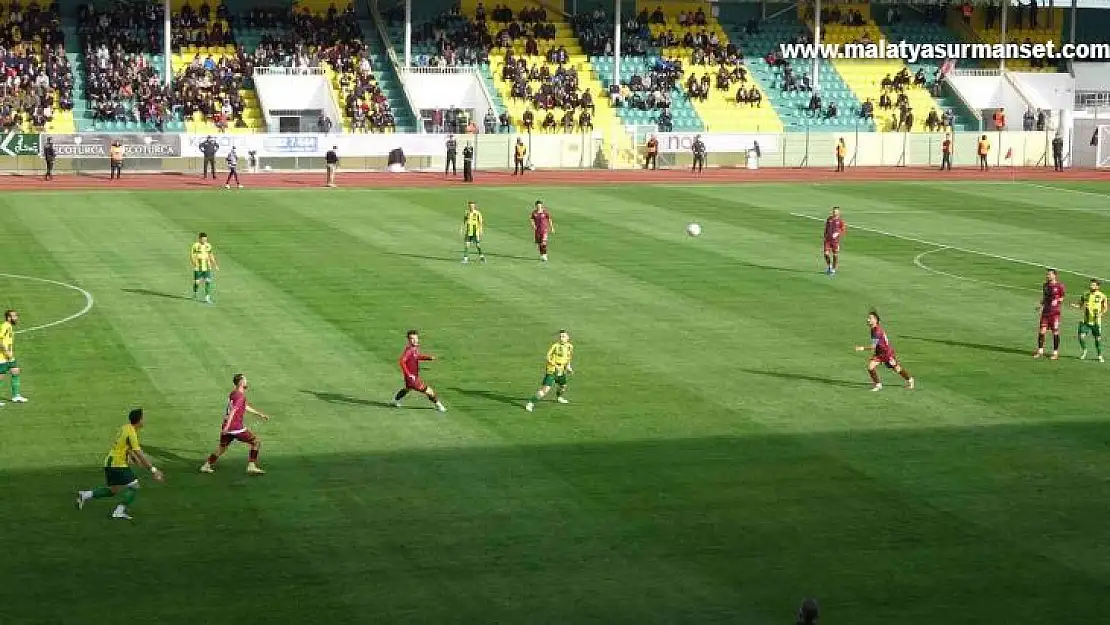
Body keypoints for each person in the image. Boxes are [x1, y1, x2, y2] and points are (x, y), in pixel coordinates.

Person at [75, 408, 164, 520]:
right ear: (138, 420)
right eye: (143, 418)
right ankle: (119, 511)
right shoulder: (132, 433)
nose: (144, 421)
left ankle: (85, 495)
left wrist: (131, 456)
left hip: (109, 462)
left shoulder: (125, 428)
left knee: (113, 490)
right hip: (117, 464)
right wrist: (153, 470)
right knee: (135, 486)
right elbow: (140, 453)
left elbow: (124, 445)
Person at [199, 374, 271, 475]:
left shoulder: (234, 393)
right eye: (245, 380)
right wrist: (228, 426)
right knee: (256, 442)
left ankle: (206, 465)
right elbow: (233, 411)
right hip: (235, 427)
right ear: (241, 382)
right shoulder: (240, 396)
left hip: (227, 426)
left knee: (222, 447)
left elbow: (244, 406)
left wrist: (259, 414)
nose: (247, 381)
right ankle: (251, 465)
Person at [855, 311, 915, 391]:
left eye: (870, 318)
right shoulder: (873, 329)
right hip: (879, 353)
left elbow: (873, 347)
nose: (868, 320)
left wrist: (861, 348)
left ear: (875, 320)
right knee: (870, 367)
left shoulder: (877, 331)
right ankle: (878, 385)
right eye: (868, 318)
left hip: (887, 354)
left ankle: (910, 380)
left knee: (897, 368)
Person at [392, 330, 447, 412]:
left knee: (408, 389)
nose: (414, 340)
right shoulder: (409, 350)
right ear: (408, 340)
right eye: (411, 339)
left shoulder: (414, 348)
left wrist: (428, 358)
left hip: (412, 377)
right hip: (412, 378)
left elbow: (416, 356)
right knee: (429, 391)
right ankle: (439, 405)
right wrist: (409, 374)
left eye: (415, 338)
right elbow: (402, 361)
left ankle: (395, 400)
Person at [525, 330, 574, 412]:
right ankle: (530, 403)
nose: (561, 338)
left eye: (563, 336)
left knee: (563, 386)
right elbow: (547, 358)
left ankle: (559, 397)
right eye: (560, 337)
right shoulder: (555, 346)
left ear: (568, 338)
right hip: (552, 370)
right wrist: (555, 365)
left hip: (562, 370)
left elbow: (568, 358)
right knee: (545, 390)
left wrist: (568, 367)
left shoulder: (570, 347)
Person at [1034, 268, 1066, 360]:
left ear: (1054, 275)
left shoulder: (1060, 286)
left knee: (1055, 332)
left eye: (1049, 274)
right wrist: (1040, 306)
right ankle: (1040, 351)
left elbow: (1062, 297)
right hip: (1045, 312)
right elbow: (1044, 297)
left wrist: (1057, 300)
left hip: (1055, 313)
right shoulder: (1045, 285)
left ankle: (1055, 353)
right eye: (1047, 274)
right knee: (1042, 331)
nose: (1047, 276)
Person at [1074, 278, 1107, 361]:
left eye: (1093, 285)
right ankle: (1084, 351)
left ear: (1098, 286)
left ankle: (1099, 355)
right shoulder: (1085, 294)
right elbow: (1080, 304)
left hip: (1096, 321)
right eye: (1091, 284)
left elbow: (1105, 307)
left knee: (1097, 339)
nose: (1091, 286)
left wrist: (1101, 313)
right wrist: (1076, 305)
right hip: (1085, 321)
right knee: (1081, 337)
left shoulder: (1102, 296)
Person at [0, 309, 28, 405]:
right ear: (9, 318)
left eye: (16, 316)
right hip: (2, 356)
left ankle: (16, 396)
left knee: (15, 371)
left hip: (9, 356)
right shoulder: (5, 326)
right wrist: (6, 352)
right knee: (0, 376)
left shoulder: (9, 327)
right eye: (14, 316)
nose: (16, 318)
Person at [190, 232, 219, 303]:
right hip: (198, 268)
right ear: (199, 239)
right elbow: (192, 255)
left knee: (208, 281)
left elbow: (211, 255)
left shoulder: (208, 245)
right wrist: (194, 263)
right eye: (203, 240)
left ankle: (207, 298)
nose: (204, 241)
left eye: (205, 240)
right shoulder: (195, 245)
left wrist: (215, 265)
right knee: (197, 282)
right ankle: (195, 292)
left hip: (207, 267)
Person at [823, 207, 846, 276]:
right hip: (827, 240)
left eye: (836, 211)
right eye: (833, 211)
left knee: (835, 255)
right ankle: (829, 266)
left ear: (838, 213)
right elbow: (826, 227)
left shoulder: (840, 221)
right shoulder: (829, 219)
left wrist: (838, 233)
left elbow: (843, 230)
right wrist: (825, 235)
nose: (834, 213)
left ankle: (833, 269)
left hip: (835, 241)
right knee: (826, 254)